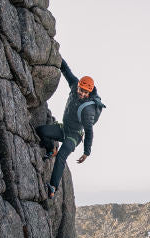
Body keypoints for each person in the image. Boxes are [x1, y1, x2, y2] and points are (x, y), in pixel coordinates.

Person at [36, 58, 105, 199]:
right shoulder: (74, 85)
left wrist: (86, 152)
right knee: (40, 131)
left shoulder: (88, 110)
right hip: (64, 128)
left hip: (74, 136)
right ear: (78, 85)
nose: (82, 93)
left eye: (86, 92)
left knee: (62, 156)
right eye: (81, 90)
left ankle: (52, 187)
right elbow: (66, 70)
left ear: (90, 92)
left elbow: (90, 132)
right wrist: (56, 55)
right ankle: (51, 149)